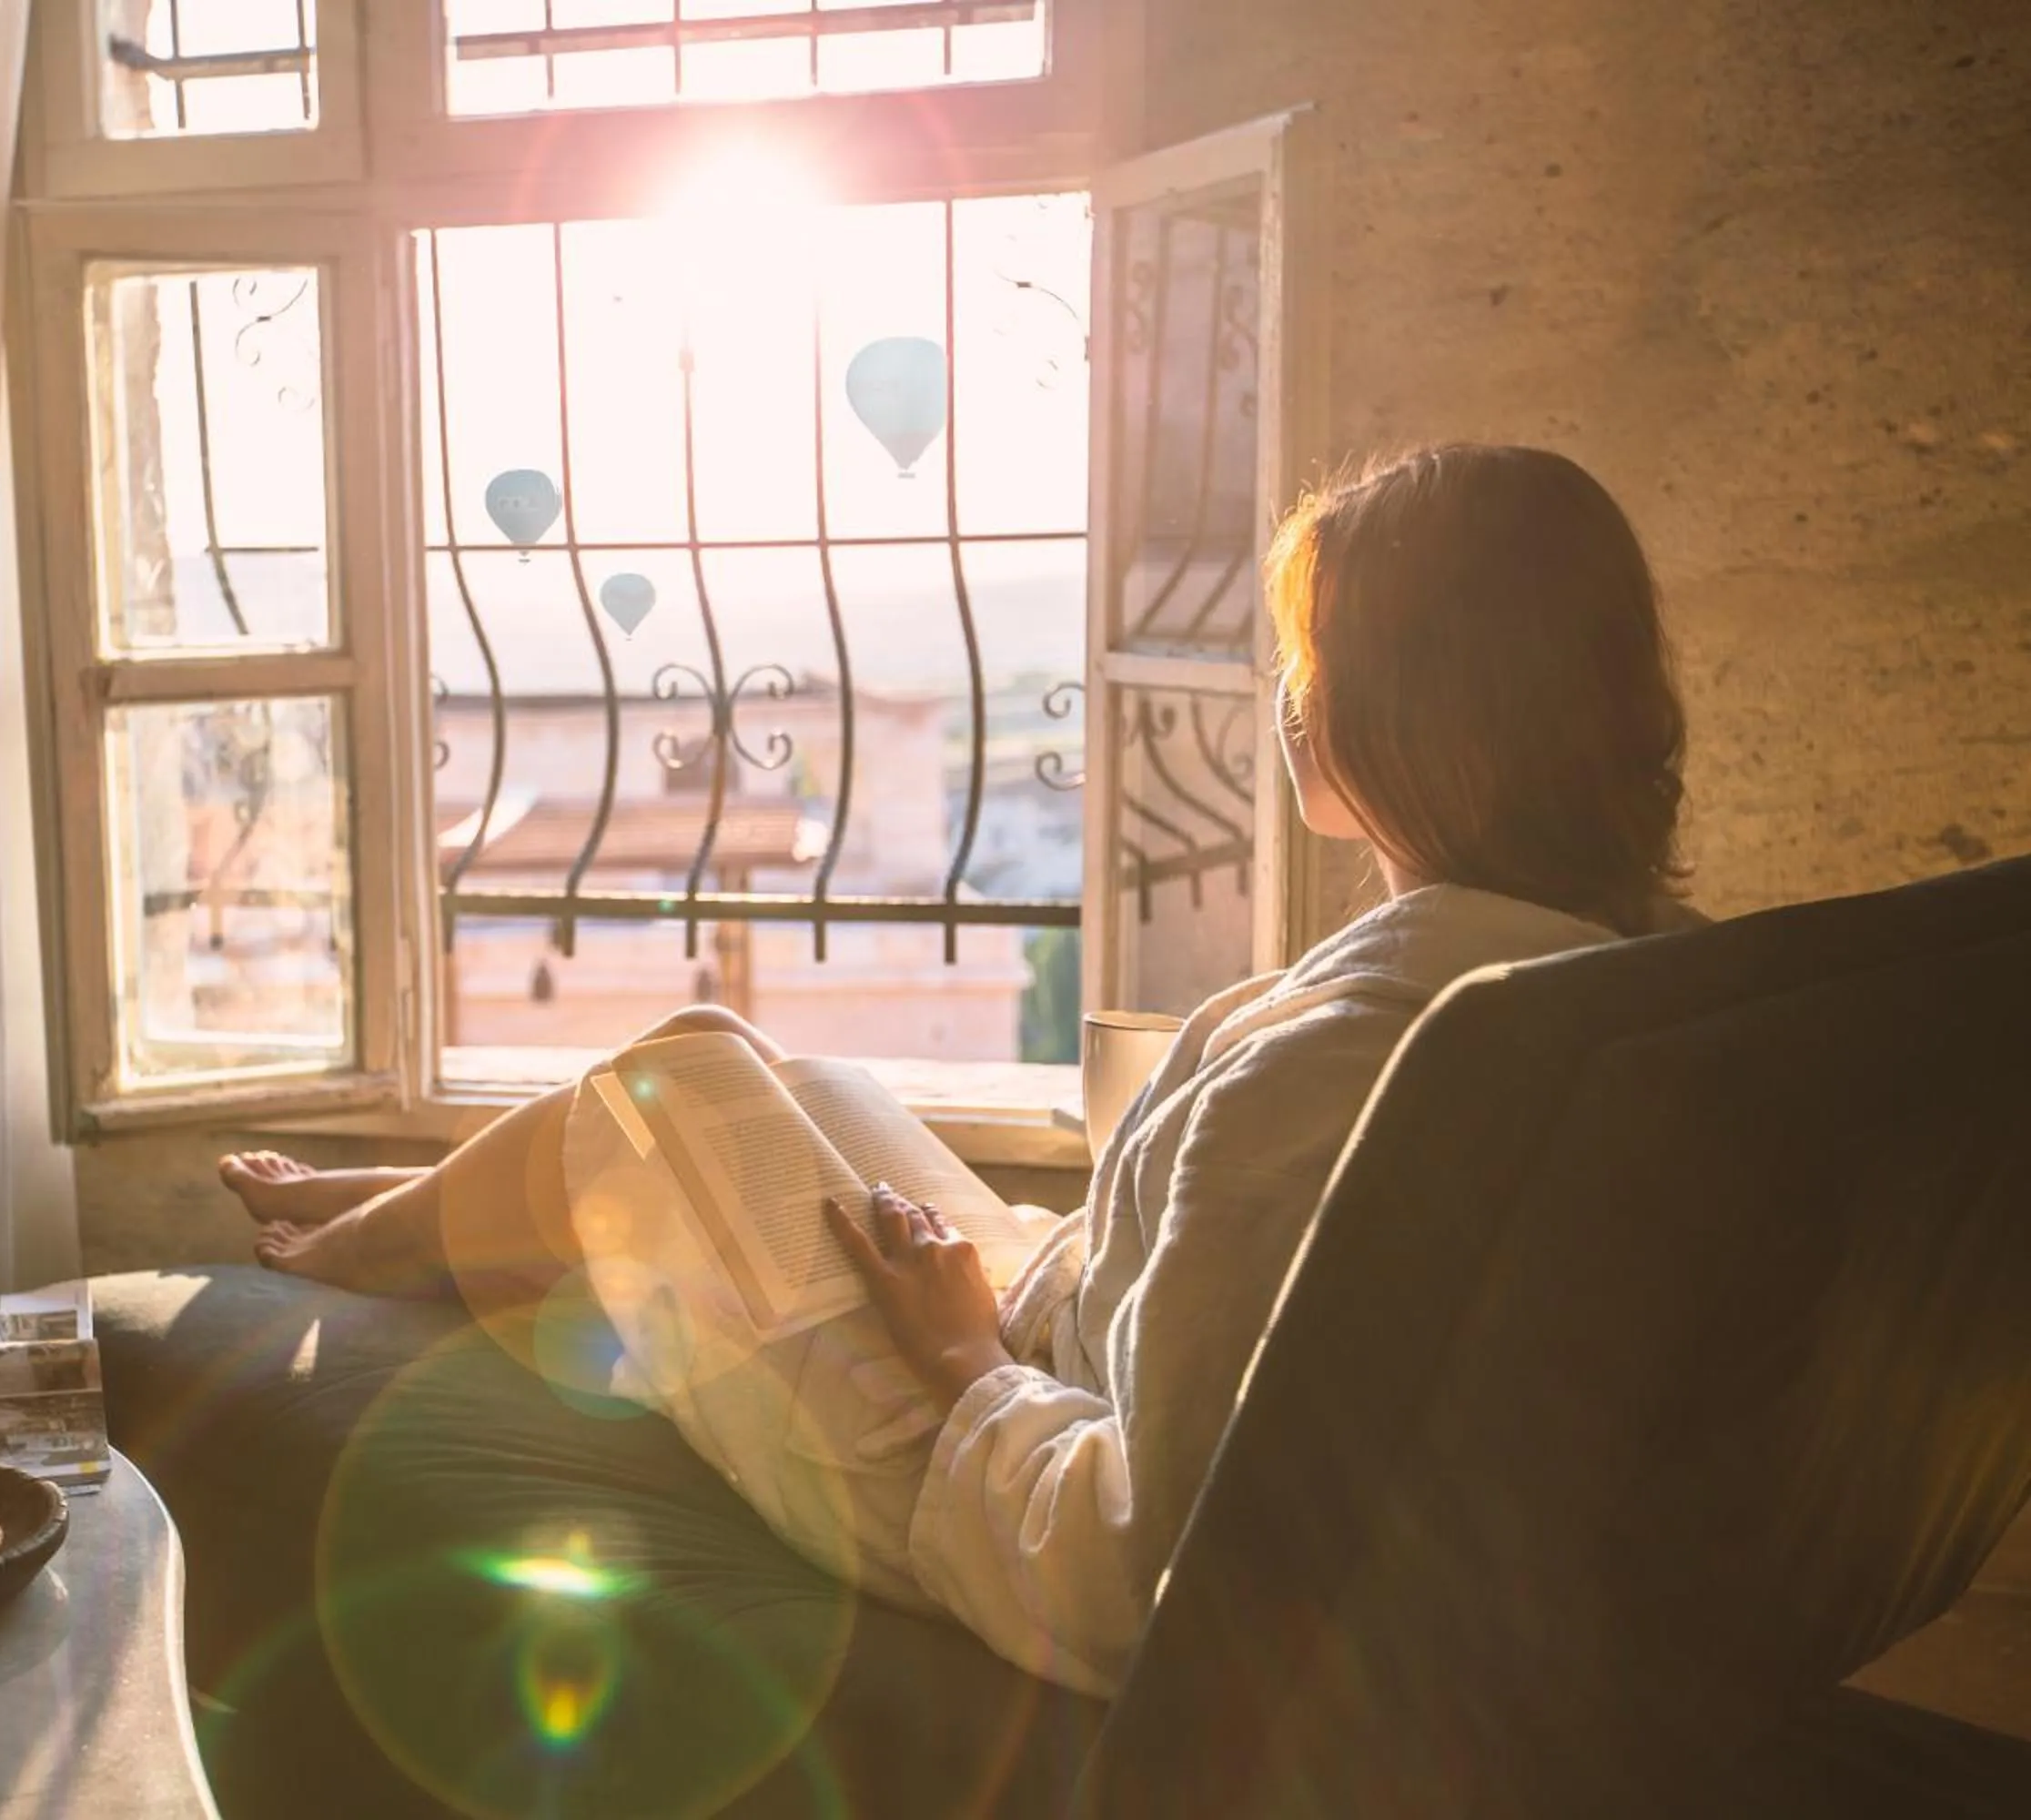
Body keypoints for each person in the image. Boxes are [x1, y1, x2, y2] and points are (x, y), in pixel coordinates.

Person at [221, 443, 1694, 1695]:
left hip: (986, 1494)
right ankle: (445, 1201)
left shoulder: (1341, 1077)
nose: (1286, 688)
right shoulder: (1615, 989)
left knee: (665, 1091)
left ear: (1410, 711)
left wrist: (966, 1361)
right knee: (778, 1071)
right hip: (1068, 1351)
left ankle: (364, 1243)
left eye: (1313, 657)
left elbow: (1140, 1574)